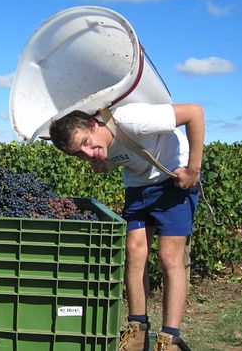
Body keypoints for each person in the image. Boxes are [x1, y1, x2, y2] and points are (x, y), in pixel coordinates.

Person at [49, 103, 204, 351]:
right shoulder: (101, 147)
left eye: (87, 142)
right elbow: (127, 156)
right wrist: (105, 164)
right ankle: (137, 331)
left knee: (169, 257)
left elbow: (194, 113)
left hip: (173, 181)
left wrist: (193, 169)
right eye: (79, 153)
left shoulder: (133, 120)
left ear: (94, 124)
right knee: (133, 251)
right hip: (138, 188)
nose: (88, 153)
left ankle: (170, 339)